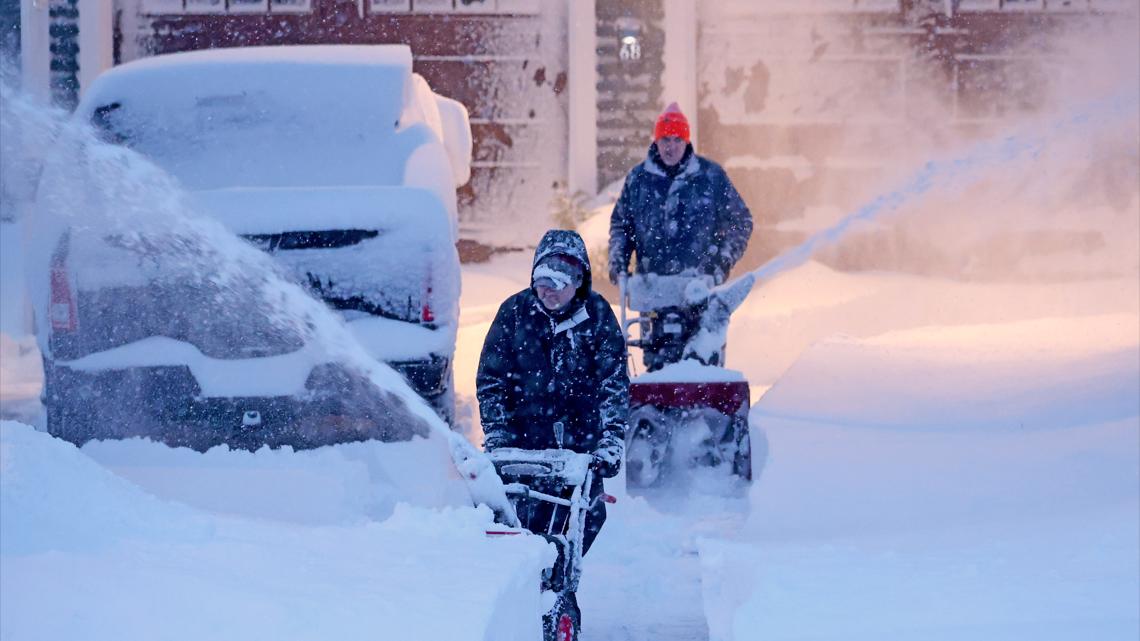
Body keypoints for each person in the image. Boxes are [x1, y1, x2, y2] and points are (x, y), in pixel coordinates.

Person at [477, 229, 628, 555]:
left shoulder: (598, 317)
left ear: (579, 281)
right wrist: (498, 434)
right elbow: (491, 381)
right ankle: (527, 581)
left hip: (580, 448)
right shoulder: (515, 314)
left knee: (585, 518)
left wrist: (611, 442)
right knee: (521, 523)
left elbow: (613, 385)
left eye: (558, 283)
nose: (548, 291)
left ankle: (560, 579)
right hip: (522, 446)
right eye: (542, 280)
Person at [608, 102, 754, 369]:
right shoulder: (639, 180)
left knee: (703, 362)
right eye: (665, 139)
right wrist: (618, 262)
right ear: (656, 140)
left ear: (687, 141)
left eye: (677, 139)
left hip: (699, 287)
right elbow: (621, 225)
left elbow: (740, 221)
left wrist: (721, 262)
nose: (670, 146)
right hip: (653, 289)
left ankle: (704, 407)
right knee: (657, 367)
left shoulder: (710, 177)